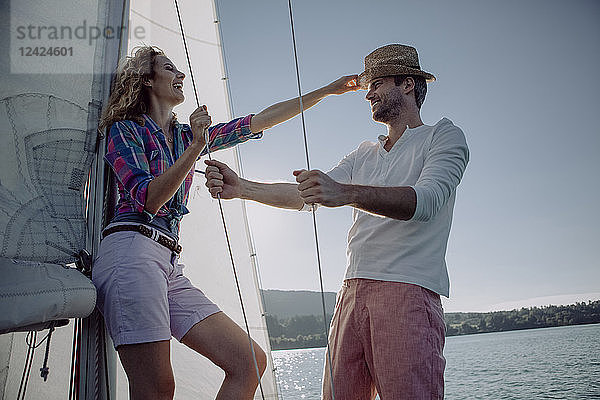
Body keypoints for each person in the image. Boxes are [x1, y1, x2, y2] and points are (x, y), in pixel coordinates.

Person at [204, 44, 469, 399]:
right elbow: (311, 194)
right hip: (350, 295)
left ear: (407, 84)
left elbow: (425, 201)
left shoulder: (444, 136)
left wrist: (344, 192)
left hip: (407, 294)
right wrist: (243, 188)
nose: (368, 94)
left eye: (375, 84)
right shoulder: (364, 152)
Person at [92, 45, 358, 400]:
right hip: (131, 252)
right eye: (170, 68)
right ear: (146, 78)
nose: (181, 75)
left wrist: (326, 90)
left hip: (167, 262)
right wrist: (197, 146)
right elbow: (149, 199)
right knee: (157, 389)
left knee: (249, 362)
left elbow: (261, 119)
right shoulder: (124, 131)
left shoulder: (186, 137)